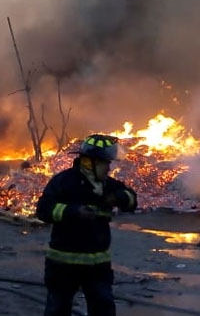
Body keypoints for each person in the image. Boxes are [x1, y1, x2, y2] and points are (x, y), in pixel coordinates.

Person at [35, 134, 138, 316]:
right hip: (63, 265)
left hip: (98, 268)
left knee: (103, 310)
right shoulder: (64, 182)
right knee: (57, 309)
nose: (109, 167)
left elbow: (132, 200)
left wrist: (119, 198)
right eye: (105, 163)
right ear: (90, 162)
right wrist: (73, 212)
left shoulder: (108, 185)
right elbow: (43, 210)